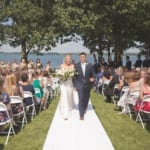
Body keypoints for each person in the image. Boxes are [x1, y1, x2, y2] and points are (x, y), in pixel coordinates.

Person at [73, 52, 95, 120]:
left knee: (86, 97)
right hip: (79, 84)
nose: (82, 58)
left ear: (85, 57)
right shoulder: (76, 65)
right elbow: (74, 76)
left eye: (83, 57)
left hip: (88, 84)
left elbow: (93, 74)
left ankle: (85, 108)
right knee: (81, 98)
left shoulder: (90, 65)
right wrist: (75, 85)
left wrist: (93, 78)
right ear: (79, 58)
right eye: (81, 57)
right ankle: (81, 114)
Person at [58, 54, 75, 120]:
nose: (68, 60)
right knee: (64, 96)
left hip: (69, 83)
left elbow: (73, 75)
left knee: (69, 95)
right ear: (65, 59)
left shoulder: (73, 66)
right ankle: (65, 113)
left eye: (69, 59)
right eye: (67, 59)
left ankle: (70, 106)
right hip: (63, 83)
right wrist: (62, 77)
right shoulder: (61, 65)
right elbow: (59, 74)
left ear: (70, 59)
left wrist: (68, 76)